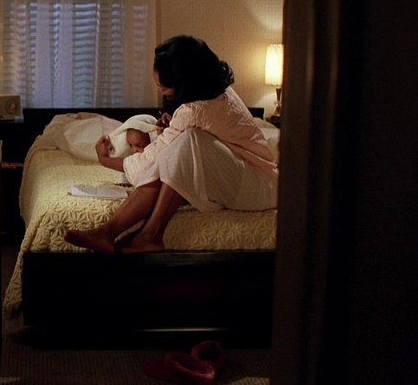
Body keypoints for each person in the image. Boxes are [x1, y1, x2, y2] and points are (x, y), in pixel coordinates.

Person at [64, 35, 278, 253]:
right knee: (178, 150)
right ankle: (109, 233)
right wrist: (176, 124)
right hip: (245, 176)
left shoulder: (194, 111)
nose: (159, 92)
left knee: (186, 143)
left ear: (184, 84)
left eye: (163, 88)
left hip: (258, 187)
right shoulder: (218, 91)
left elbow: (146, 164)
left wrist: (106, 160)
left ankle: (149, 235)